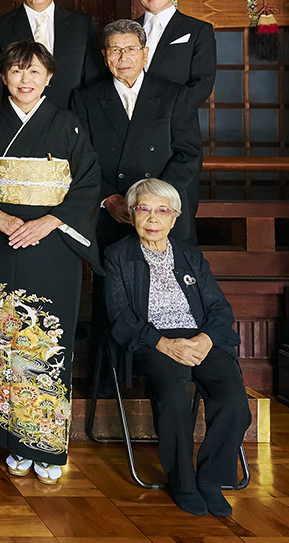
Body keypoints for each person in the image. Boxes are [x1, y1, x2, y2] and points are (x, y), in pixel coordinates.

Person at [0, 41, 100, 485]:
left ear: (49, 77)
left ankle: (46, 444)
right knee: (4, 343)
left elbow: (87, 182)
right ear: (3, 78)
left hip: (51, 245)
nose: (25, 79)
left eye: (34, 71)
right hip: (0, 241)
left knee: (47, 343)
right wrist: (0, 217)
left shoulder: (69, 126)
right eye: (17, 71)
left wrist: (48, 222)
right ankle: (13, 440)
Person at [105, 178, 250, 518]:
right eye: (144, 209)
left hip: (200, 337)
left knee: (232, 399)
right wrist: (165, 345)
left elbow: (219, 309)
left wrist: (205, 340)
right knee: (172, 395)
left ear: (174, 218)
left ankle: (211, 480)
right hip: (151, 339)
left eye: (162, 211)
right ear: (132, 214)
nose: (153, 219)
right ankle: (184, 483)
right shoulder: (118, 256)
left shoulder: (190, 255)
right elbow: (121, 316)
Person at [71, 19, 202, 250]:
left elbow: (189, 154)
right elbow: (79, 157)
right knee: (114, 281)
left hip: (164, 210)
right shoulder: (85, 99)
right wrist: (108, 198)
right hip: (113, 211)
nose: (123, 58)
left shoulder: (174, 94)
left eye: (131, 49)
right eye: (115, 50)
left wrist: (156, 202)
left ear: (145, 53)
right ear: (105, 55)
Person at [129, 0, 216, 110]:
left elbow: (202, 85)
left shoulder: (198, 30)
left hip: (176, 123)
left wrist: (168, 113)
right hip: (129, 121)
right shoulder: (126, 30)